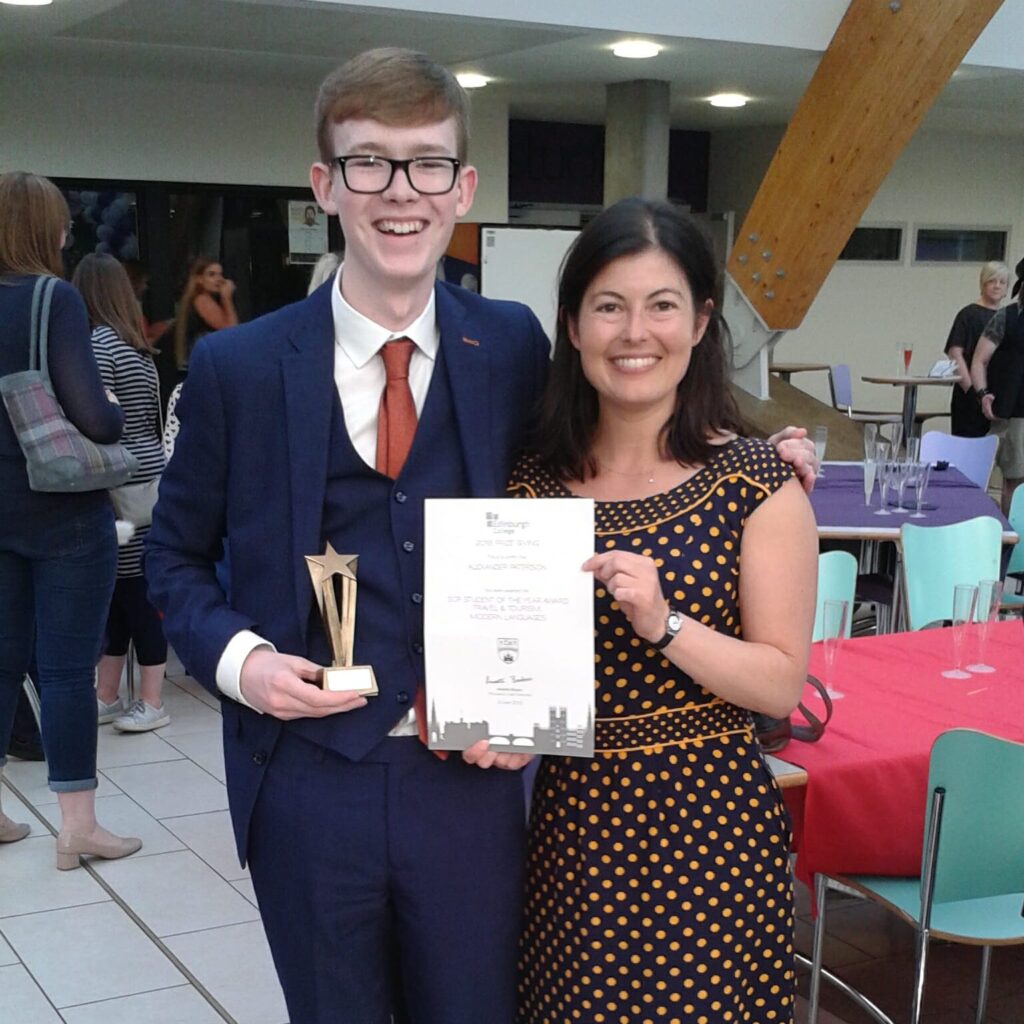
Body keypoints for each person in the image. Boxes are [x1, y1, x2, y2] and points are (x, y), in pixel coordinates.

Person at [146, 49, 818, 1024]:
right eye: (369, 162)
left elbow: (633, 397)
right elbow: (168, 558)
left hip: (474, 783)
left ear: (462, 187)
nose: (399, 191)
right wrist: (243, 662)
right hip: (306, 784)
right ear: (325, 183)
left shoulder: (505, 345)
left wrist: (764, 448)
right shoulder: (235, 368)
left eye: (426, 164)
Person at [510, 198, 818, 1024]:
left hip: (709, 837)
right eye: (609, 305)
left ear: (701, 321)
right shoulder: (530, 484)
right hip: (571, 839)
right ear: (573, 327)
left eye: (662, 305)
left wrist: (665, 623)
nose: (634, 332)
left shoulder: (758, 483)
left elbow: (782, 683)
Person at [0, 171, 142, 866]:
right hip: (60, 512)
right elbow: (92, 414)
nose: (67, 234)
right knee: (62, 672)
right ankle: (77, 824)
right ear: (41, 230)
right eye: (59, 224)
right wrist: (114, 413)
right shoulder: (51, 298)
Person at [72, 254, 170, 733]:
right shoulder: (137, 347)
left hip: (119, 483)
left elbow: (100, 420)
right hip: (148, 477)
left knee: (129, 593)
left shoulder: (96, 346)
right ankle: (112, 694)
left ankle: (147, 700)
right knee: (128, 592)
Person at [972, 257, 1024, 513]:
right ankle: (1014, 540)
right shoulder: (1007, 317)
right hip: (1015, 412)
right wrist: (983, 393)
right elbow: (979, 360)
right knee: (1016, 480)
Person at [943, 260, 1009, 437]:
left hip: (999, 395)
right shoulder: (968, 314)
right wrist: (972, 389)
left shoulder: (1007, 317)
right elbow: (955, 353)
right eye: (992, 281)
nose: (997, 286)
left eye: (1002, 282)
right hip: (970, 394)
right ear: (982, 283)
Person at [172, 257, 238, 373]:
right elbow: (231, 331)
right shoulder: (201, 299)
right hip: (204, 366)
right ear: (199, 279)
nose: (219, 279)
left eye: (220, 274)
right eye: (212, 275)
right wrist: (226, 298)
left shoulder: (204, 299)